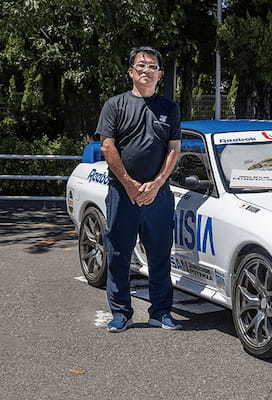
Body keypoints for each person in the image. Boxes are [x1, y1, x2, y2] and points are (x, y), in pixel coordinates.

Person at [96, 46, 182, 332]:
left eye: (152, 66)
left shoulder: (170, 108)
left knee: (159, 254)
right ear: (131, 72)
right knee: (119, 254)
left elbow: (174, 149)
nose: (146, 70)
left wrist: (156, 184)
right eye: (141, 65)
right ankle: (121, 313)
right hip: (122, 193)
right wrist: (130, 184)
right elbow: (108, 146)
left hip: (158, 195)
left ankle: (161, 312)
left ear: (160, 74)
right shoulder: (115, 105)